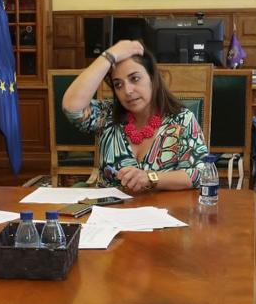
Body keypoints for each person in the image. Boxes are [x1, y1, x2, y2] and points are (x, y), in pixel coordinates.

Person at [61, 39, 209, 194]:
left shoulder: (182, 120)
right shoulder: (107, 116)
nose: (127, 91)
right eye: (118, 84)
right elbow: (72, 108)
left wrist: (150, 178)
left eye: (134, 78)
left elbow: (201, 174)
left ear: (152, 77)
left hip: (162, 213)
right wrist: (109, 56)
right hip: (109, 213)